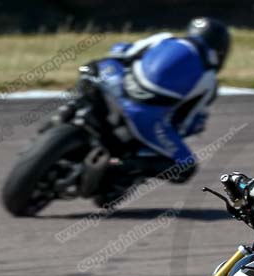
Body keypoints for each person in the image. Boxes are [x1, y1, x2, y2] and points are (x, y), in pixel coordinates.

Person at [91, 17, 229, 199]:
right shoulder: (209, 78)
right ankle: (122, 166)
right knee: (186, 166)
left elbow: (122, 51)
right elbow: (186, 121)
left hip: (114, 83)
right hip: (144, 115)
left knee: (94, 69)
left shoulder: (163, 38)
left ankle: (70, 113)